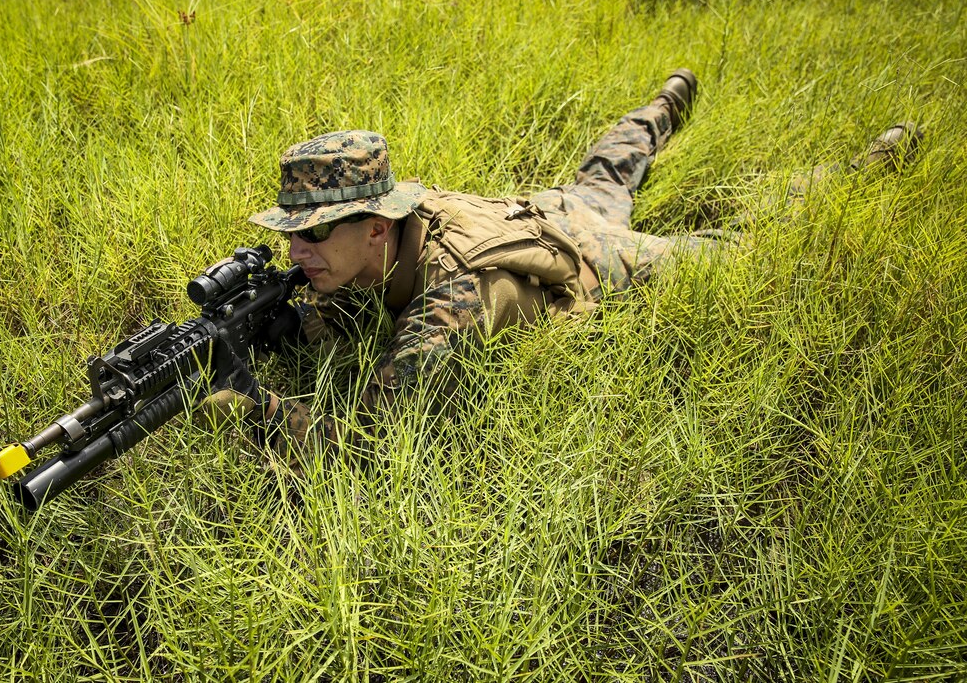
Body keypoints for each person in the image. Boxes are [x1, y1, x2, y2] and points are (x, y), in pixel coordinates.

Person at [198, 69, 921, 474]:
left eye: (313, 233)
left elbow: (371, 447)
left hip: (590, 256)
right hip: (546, 207)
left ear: (378, 228)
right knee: (609, 166)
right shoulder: (378, 220)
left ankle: (865, 167)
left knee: (733, 246)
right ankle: (665, 104)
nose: (296, 251)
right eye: (290, 232)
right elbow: (332, 289)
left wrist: (250, 404)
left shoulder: (453, 302)